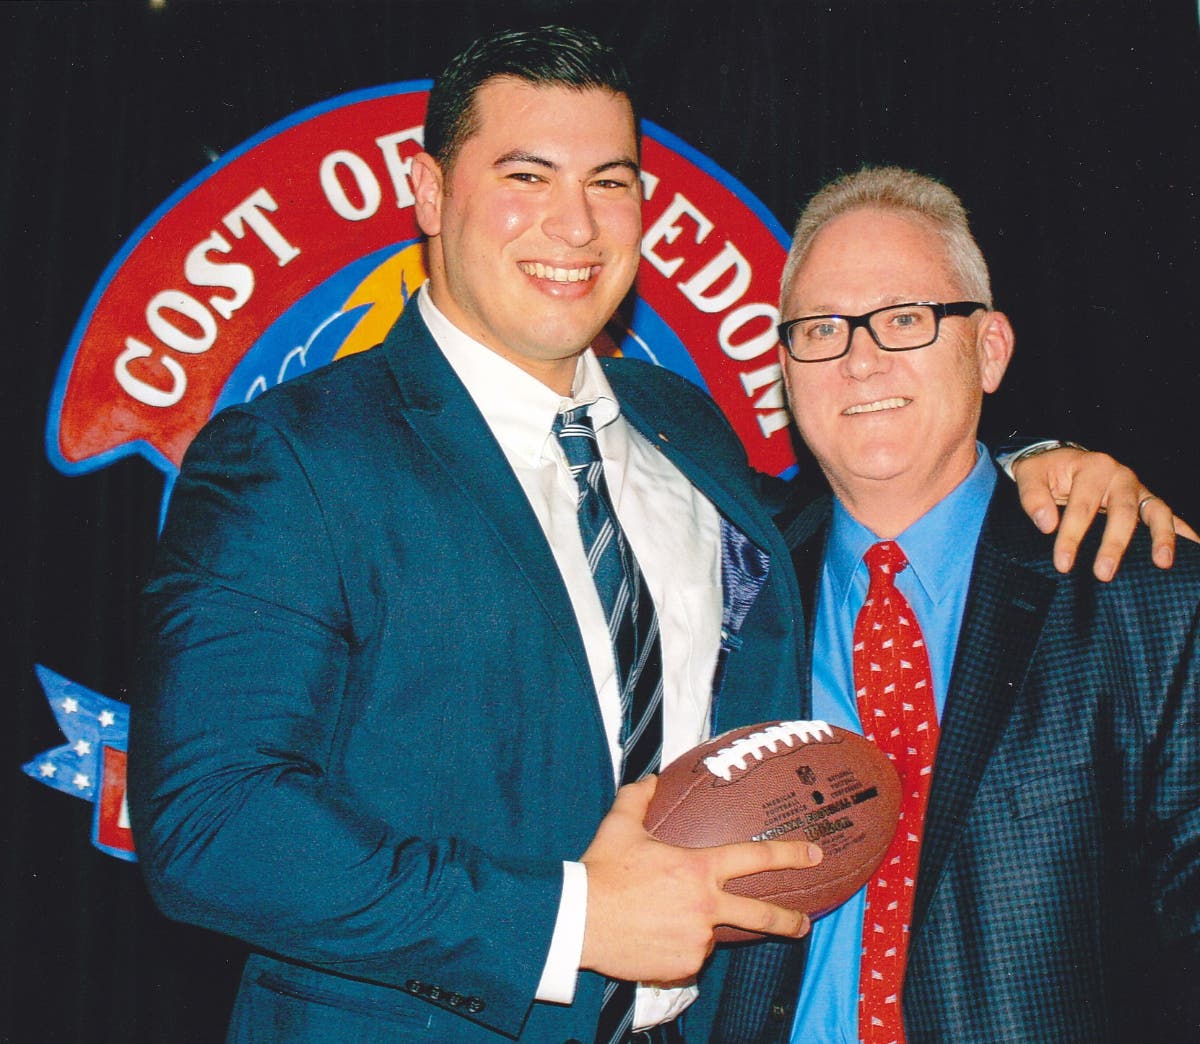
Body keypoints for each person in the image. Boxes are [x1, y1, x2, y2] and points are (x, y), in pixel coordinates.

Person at [128, 28, 1174, 1044]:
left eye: (610, 181)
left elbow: (890, 479)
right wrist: (572, 920)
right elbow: (211, 821)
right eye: (527, 176)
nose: (575, 227)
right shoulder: (296, 459)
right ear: (431, 193)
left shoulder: (684, 432)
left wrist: (1030, 463)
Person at [699, 167, 1200, 1042]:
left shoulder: (1145, 593)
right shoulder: (725, 574)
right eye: (821, 329)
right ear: (783, 368)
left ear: (991, 348)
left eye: (905, 319)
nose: (861, 359)